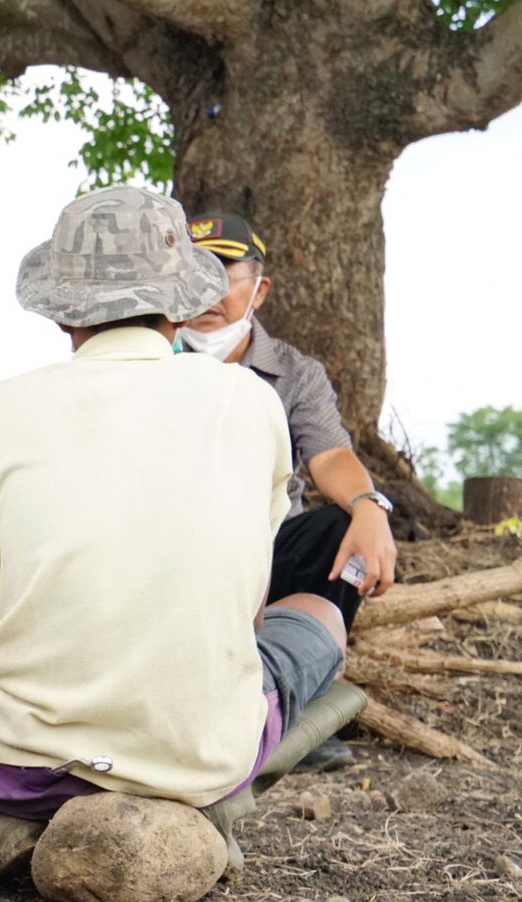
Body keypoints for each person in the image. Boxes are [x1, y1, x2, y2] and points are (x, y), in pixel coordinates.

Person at [0, 187, 353, 873]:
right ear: (180, 303)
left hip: (22, 764)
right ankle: (204, 809)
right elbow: (246, 615)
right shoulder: (250, 401)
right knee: (320, 617)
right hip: (205, 755)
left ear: (62, 312)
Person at [185, 211, 395, 770]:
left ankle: (295, 694)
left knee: (336, 531)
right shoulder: (143, 363)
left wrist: (369, 506)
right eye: (191, 272)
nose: (207, 289)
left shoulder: (296, 373)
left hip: (266, 554)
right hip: (175, 554)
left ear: (259, 288)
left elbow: (329, 454)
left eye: (224, 273)